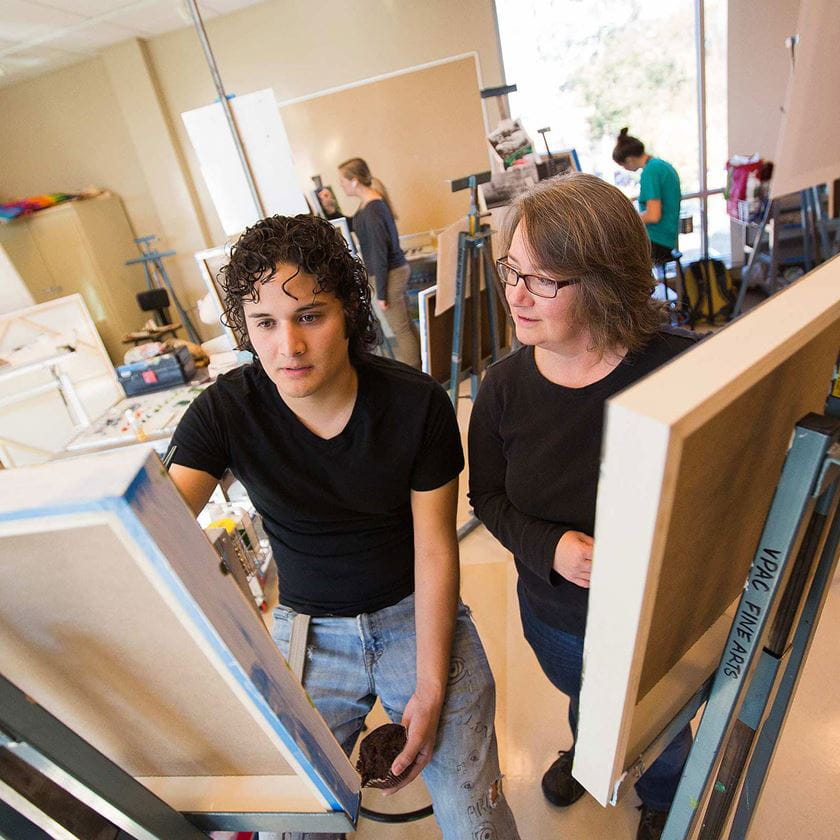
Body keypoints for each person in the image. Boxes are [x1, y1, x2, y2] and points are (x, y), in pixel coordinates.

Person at [167, 214, 519, 840]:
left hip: (417, 615)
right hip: (307, 631)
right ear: (243, 328)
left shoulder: (416, 405)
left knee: (474, 814)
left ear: (350, 313)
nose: (287, 348)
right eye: (264, 324)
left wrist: (432, 690)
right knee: (296, 822)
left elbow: (437, 550)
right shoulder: (224, 411)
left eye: (310, 316)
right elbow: (155, 531)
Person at [467, 172, 696, 840]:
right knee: (586, 696)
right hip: (557, 611)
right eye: (512, 270)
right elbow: (489, 496)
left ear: (599, 284)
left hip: (658, 613)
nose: (514, 294)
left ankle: (660, 789)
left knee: (659, 715)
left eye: (542, 280)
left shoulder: (676, 371)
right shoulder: (503, 390)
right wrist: (551, 548)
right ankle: (592, 754)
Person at [337, 157, 421, 368]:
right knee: (406, 325)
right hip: (394, 271)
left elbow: (379, 254)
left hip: (390, 275)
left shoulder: (373, 210)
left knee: (400, 329)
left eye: (343, 181)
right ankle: (425, 366)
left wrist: (381, 293)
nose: (341, 185)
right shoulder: (369, 204)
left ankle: (416, 373)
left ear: (354, 180)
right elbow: (354, 224)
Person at [613, 128, 682, 267]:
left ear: (629, 160)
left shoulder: (650, 171)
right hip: (668, 238)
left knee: (611, 252)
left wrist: (626, 219)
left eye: (623, 165)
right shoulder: (661, 165)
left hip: (658, 242)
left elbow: (653, 215)